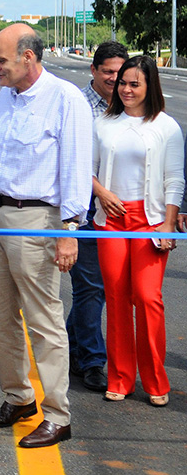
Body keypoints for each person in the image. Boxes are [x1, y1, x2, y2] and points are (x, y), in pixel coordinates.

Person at [0, 23, 92, 449]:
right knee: (0, 315)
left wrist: (69, 230)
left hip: (38, 219)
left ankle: (58, 414)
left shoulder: (66, 100)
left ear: (29, 57)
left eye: (2, 60)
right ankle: (19, 398)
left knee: (43, 320)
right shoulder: (6, 96)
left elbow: (76, 167)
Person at [91, 55, 183, 407]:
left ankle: (156, 380)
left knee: (147, 298)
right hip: (111, 220)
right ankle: (120, 378)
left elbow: (174, 178)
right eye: (122, 83)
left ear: (150, 87)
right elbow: (86, 169)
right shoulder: (102, 124)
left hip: (151, 220)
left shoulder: (166, 126)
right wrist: (102, 193)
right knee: (115, 299)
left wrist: (168, 222)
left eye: (134, 84)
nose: (126, 89)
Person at [68, 41, 129, 392]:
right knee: (91, 286)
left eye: (121, 74)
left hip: (122, 214)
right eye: (108, 72)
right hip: (86, 210)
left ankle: (69, 345)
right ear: (93, 70)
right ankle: (92, 361)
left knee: (100, 288)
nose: (115, 80)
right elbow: (75, 162)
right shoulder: (78, 105)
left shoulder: (129, 107)